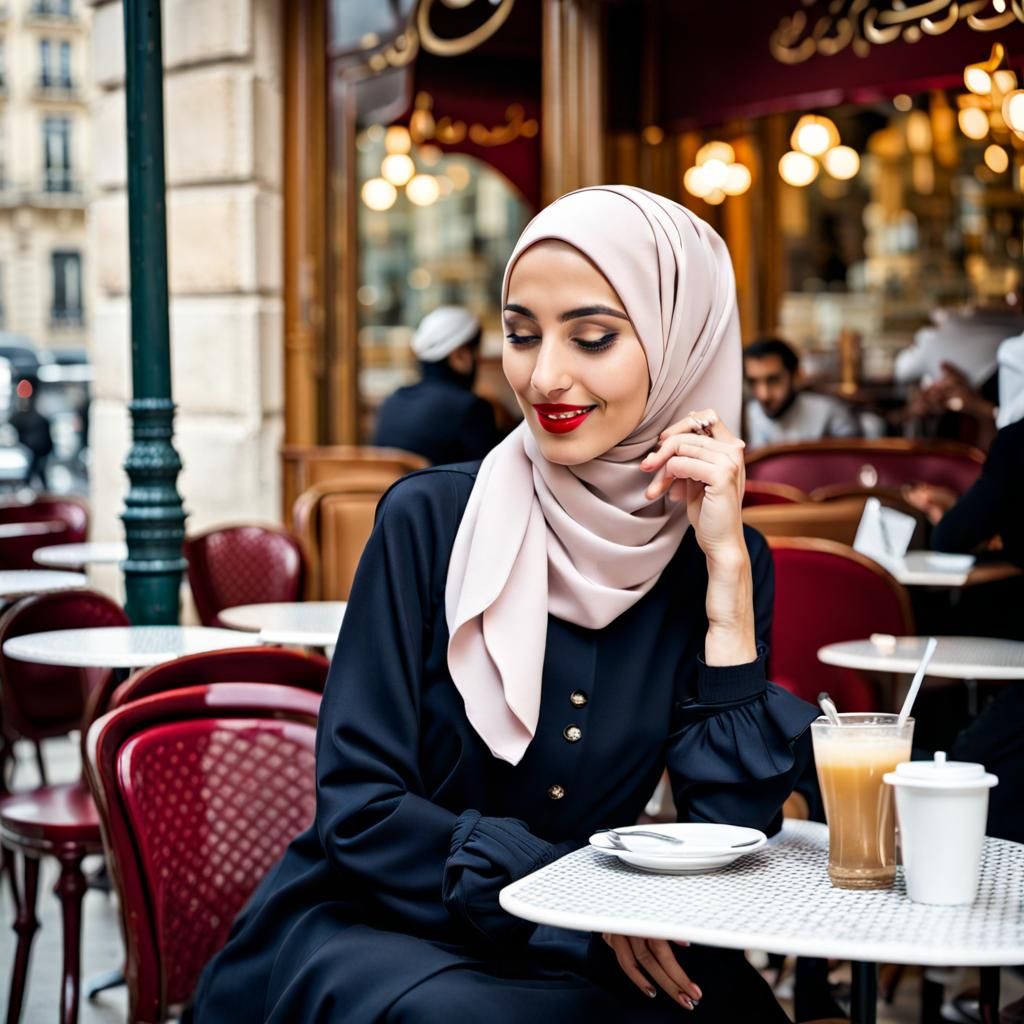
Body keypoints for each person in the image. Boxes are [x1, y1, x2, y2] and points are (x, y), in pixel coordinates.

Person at [188, 186, 817, 1023]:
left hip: (598, 933)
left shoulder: (718, 553)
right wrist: (574, 893)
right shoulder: (429, 520)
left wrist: (729, 583)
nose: (544, 375)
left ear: (681, 345)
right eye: (520, 335)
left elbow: (729, 836)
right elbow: (358, 806)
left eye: (592, 337)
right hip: (391, 923)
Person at [372, 305, 503, 465]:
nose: (480, 361)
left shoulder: (392, 401)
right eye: (477, 352)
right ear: (459, 356)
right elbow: (490, 477)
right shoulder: (471, 408)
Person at [742, 337, 860, 449]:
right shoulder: (747, 415)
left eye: (773, 380)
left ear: (797, 376)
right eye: (753, 382)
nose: (763, 395)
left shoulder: (830, 413)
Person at [8, 384, 53, 490]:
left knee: (36, 471)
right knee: (35, 471)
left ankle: (32, 488)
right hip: (32, 449)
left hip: (36, 449)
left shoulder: (35, 418)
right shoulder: (28, 417)